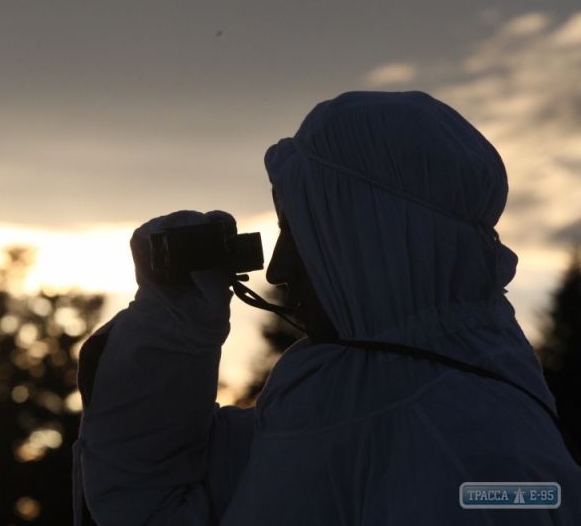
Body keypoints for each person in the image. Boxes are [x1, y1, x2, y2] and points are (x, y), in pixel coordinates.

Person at [72, 91, 581, 525]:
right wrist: (171, 334)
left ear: (371, 240)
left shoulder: (473, 450)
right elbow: (155, 505)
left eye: (301, 232)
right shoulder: (339, 385)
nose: (276, 271)